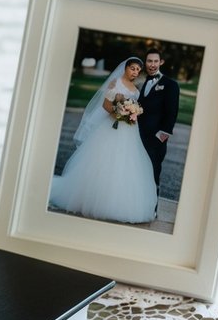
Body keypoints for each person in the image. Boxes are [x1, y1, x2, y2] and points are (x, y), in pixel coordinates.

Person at [49, 57, 157, 224]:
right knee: (103, 160)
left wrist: (132, 113)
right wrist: (119, 113)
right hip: (111, 126)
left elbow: (135, 108)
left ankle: (120, 202)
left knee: (126, 162)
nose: (135, 72)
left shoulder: (135, 91)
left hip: (129, 131)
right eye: (132, 68)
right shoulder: (115, 83)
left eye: (138, 70)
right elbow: (106, 105)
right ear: (126, 68)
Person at [138, 49, 179, 190]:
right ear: (145, 63)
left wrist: (161, 137)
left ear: (161, 62)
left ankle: (152, 210)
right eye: (150, 61)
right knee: (138, 172)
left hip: (155, 140)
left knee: (153, 174)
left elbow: (172, 113)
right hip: (138, 137)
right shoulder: (142, 83)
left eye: (156, 61)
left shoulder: (170, 85)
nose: (153, 64)